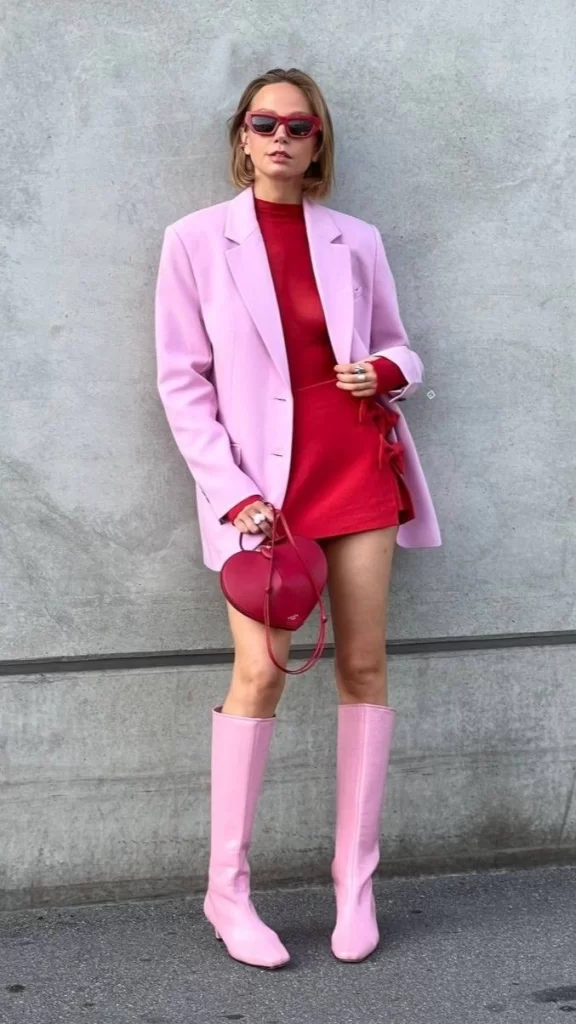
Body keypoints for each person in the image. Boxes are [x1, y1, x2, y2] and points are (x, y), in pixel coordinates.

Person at [155, 67, 441, 968]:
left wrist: (388, 373)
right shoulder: (196, 240)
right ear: (241, 137)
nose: (281, 137)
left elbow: (401, 343)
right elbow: (180, 378)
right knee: (262, 675)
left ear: (319, 142)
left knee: (362, 661)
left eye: (300, 125)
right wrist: (228, 488)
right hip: (258, 492)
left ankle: (355, 885)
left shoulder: (354, 238)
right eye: (264, 122)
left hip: (356, 465)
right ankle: (227, 893)